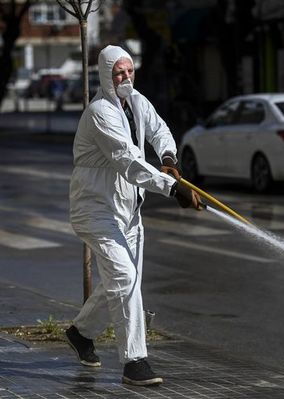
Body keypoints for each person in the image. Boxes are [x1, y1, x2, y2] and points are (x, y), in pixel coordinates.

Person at [65, 45, 202, 386]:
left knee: (124, 283)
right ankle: (134, 363)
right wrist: (173, 189)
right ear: (105, 76)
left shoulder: (137, 101)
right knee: (124, 280)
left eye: (129, 71)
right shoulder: (99, 112)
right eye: (118, 73)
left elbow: (158, 130)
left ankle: (81, 334)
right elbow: (127, 160)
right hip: (95, 210)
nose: (125, 78)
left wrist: (169, 157)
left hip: (128, 212)